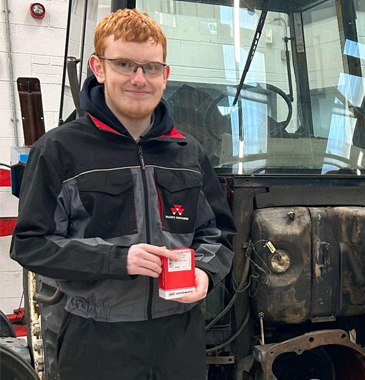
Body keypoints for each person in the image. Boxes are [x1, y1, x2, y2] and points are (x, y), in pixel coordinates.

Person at [10, 8, 236, 380]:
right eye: (124, 64)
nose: (138, 78)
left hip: (180, 340)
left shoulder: (188, 152)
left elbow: (219, 234)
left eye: (150, 68)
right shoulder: (59, 151)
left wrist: (206, 274)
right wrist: (117, 260)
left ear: (165, 75)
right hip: (97, 341)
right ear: (98, 68)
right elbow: (31, 244)